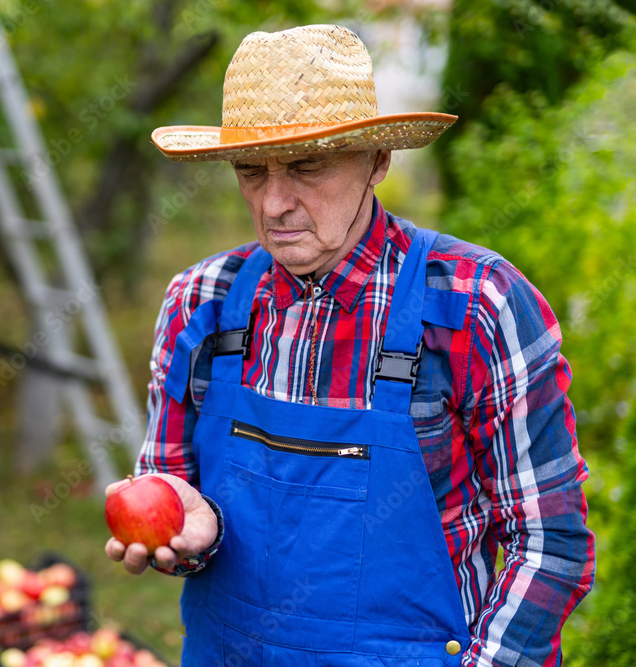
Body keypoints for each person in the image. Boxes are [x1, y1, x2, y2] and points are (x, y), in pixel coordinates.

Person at [103, 24, 595, 666]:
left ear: (376, 161)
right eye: (252, 172)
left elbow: (549, 542)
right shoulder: (200, 303)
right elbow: (171, 496)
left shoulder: (475, 304)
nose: (275, 203)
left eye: (307, 166)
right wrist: (191, 534)